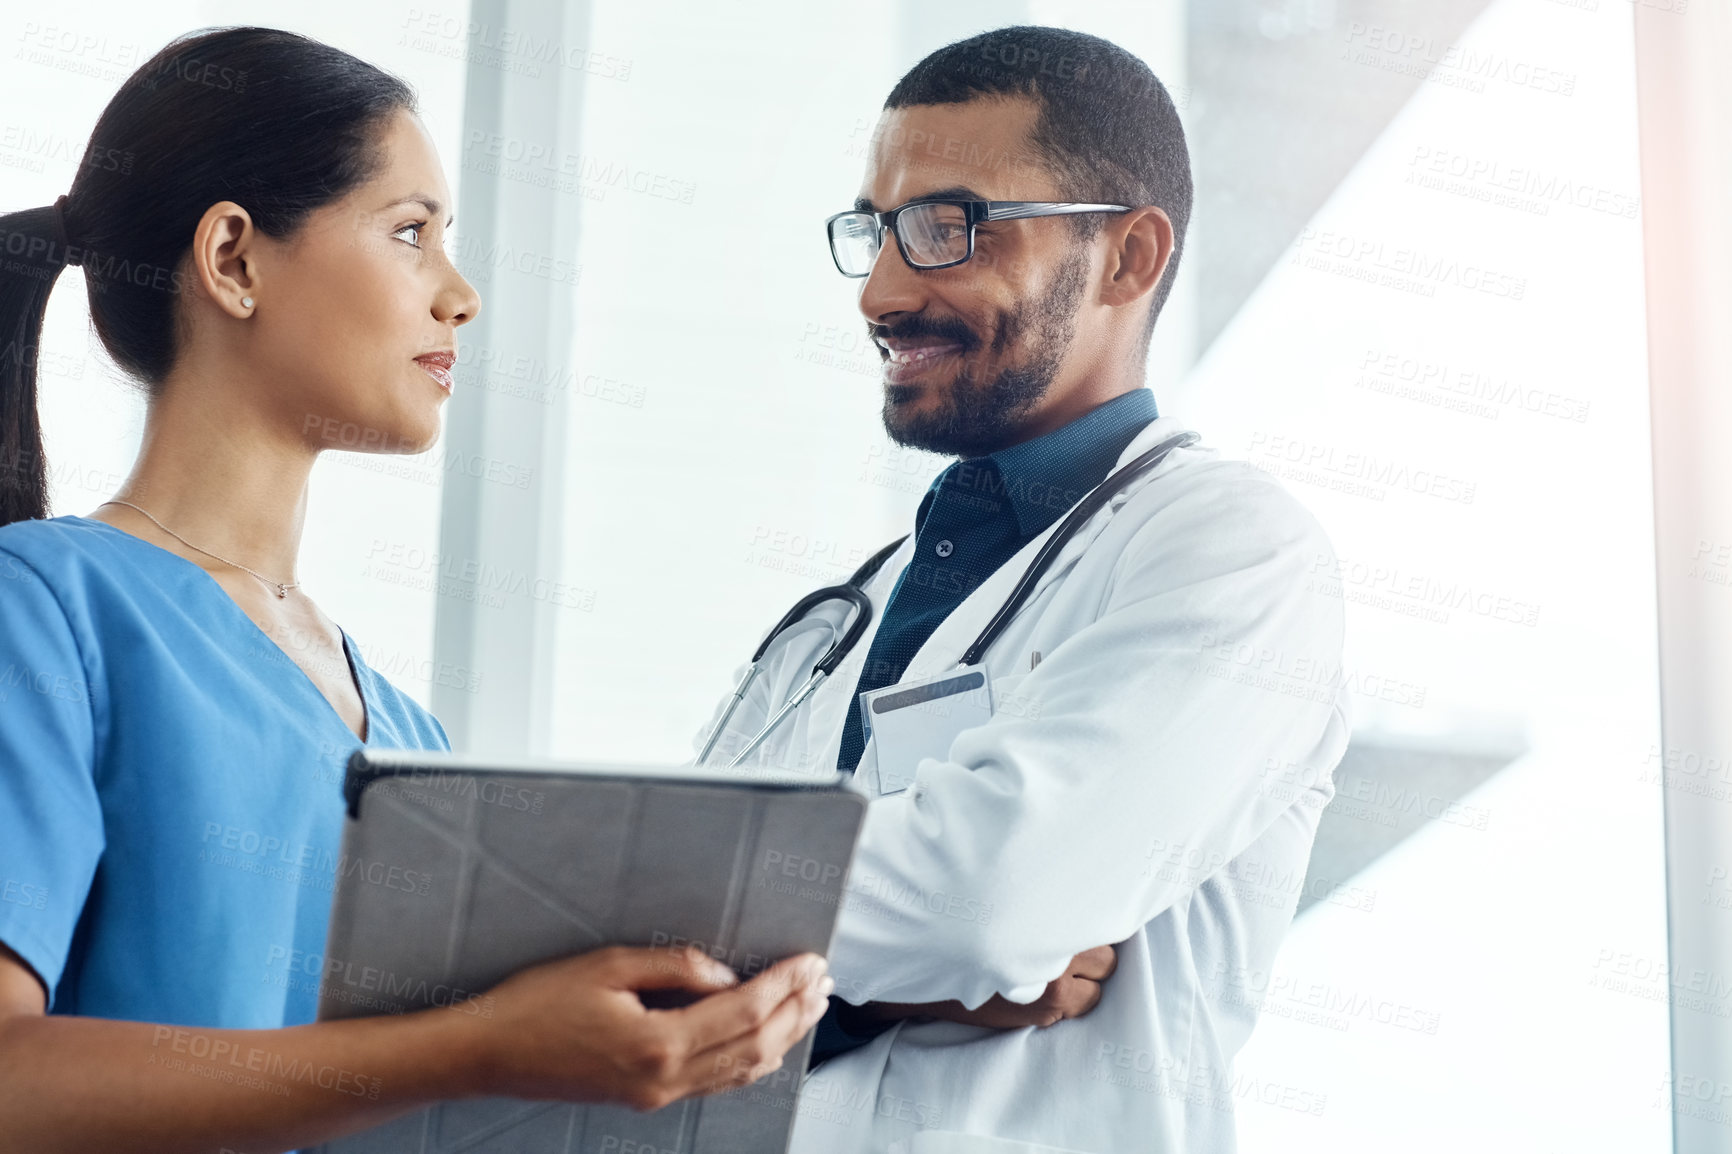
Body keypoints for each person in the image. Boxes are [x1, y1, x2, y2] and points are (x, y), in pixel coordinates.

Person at [0, 27, 829, 1154]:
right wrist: (478, 1042)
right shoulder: (42, 611)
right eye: (410, 234)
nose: (463, 295)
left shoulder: (408, 734)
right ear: (235, 258)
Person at [696, 26, 1350, 1154]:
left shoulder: (1230, 552)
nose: (884, 292)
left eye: (948, 229)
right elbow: (643, 944)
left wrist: (714, 929)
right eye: (877, 232)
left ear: (1129, 258)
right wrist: (902, 984)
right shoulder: (849, 611)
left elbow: (980, 900)